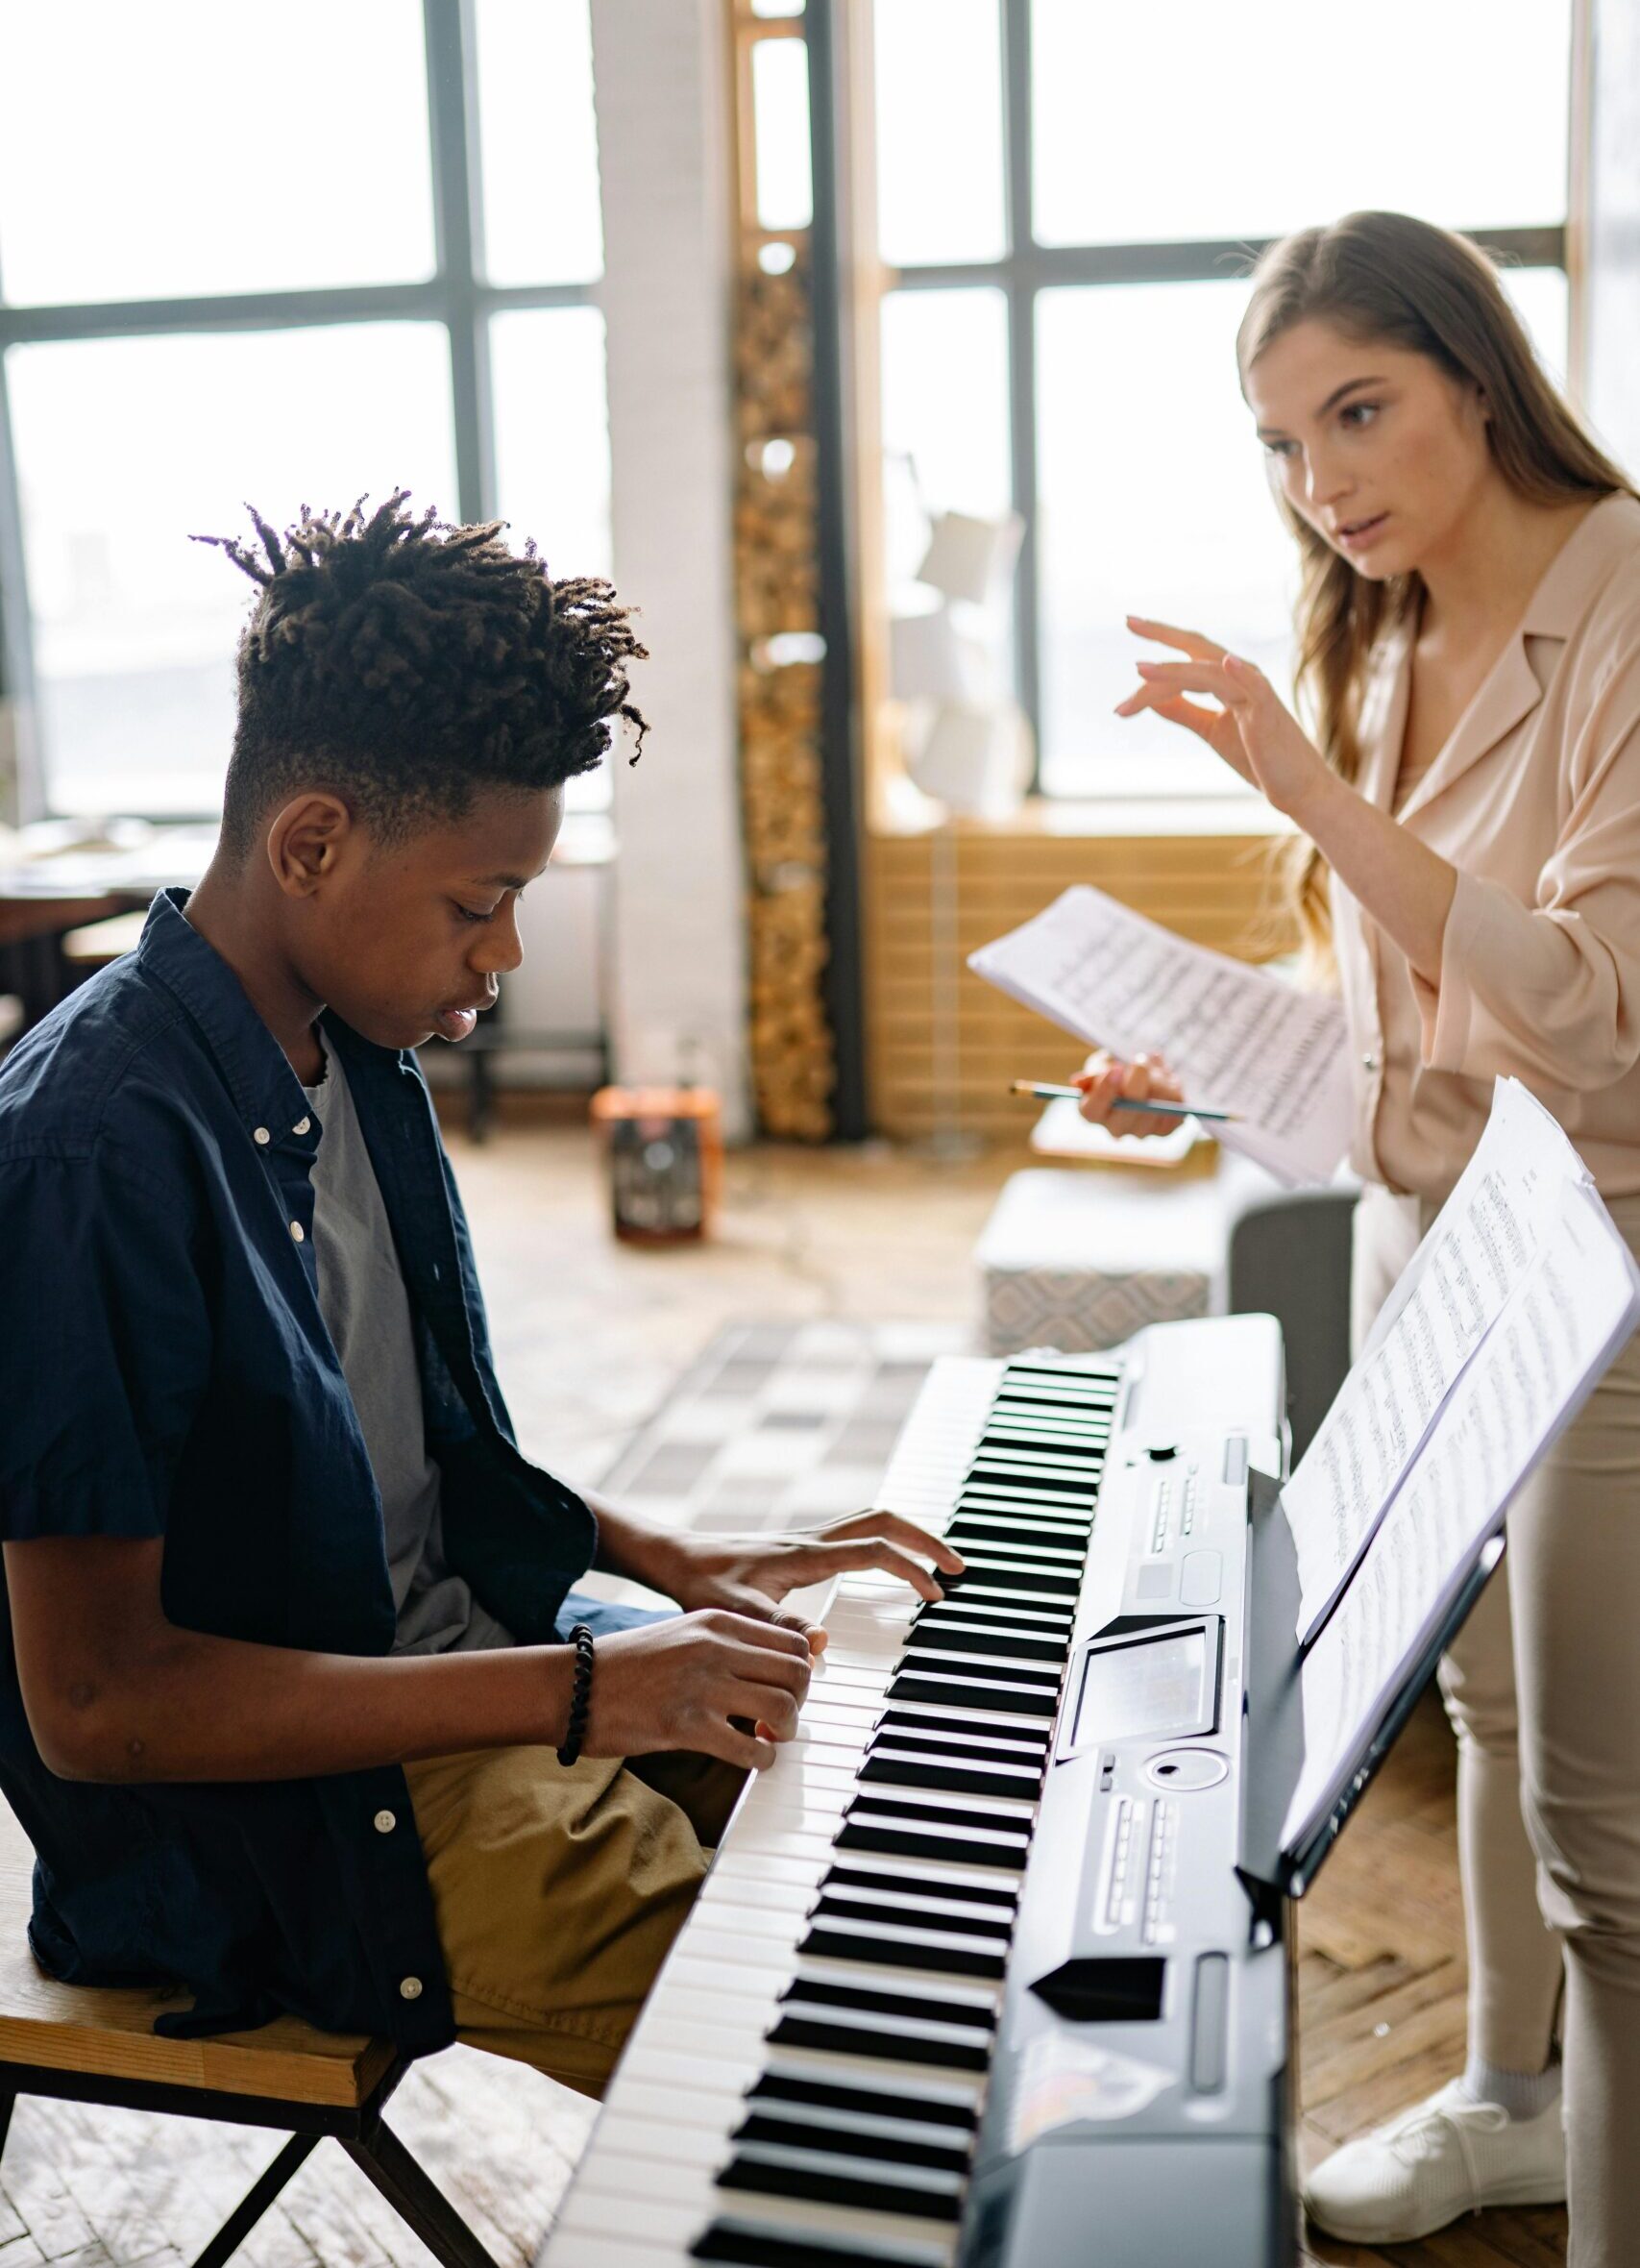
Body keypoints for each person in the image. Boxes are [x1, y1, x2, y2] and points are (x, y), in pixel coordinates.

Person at [0, 492, 961, 2096]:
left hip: (468, 1664)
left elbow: (402, 1476)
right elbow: (101, 1708)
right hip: (288, 1833)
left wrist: (661, 1565)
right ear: (310, 842)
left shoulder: (360, 1056)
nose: (503, 952)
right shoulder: (88, 1154)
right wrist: (592, 1688)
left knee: (895, 1816)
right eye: (476, 902)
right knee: (852, 2056)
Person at [1076, 212, 1640, 2265]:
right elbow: (1393, 1016)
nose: (1320, 481)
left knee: (1612, 1838)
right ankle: (1510, 2103)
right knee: (1476, 1714)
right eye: (1280, 441)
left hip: (1602, 1269)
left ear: (1471, 377)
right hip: (1424, 1244)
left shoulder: (1625, 600)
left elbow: (1585, 1010)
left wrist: (1307, 791)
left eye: (1355, 411)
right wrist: (1204, 1064)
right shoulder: (1370, 629)